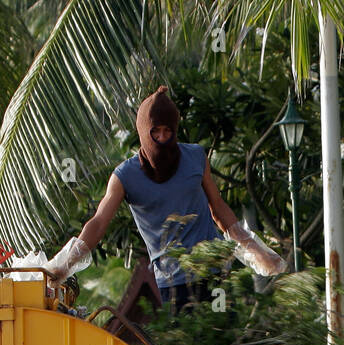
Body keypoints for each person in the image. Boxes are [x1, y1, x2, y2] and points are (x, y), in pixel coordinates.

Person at [45, 85, 284, 309]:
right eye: (155, 132)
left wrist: (256, 251)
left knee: (222, 343)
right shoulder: (124, 176)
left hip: (214, 271)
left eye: (167, 131)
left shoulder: (196, 158)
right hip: (173, 283)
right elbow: (98, 223)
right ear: (143, 132)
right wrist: (64, 264)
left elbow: (218, 208)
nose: (161, 138)